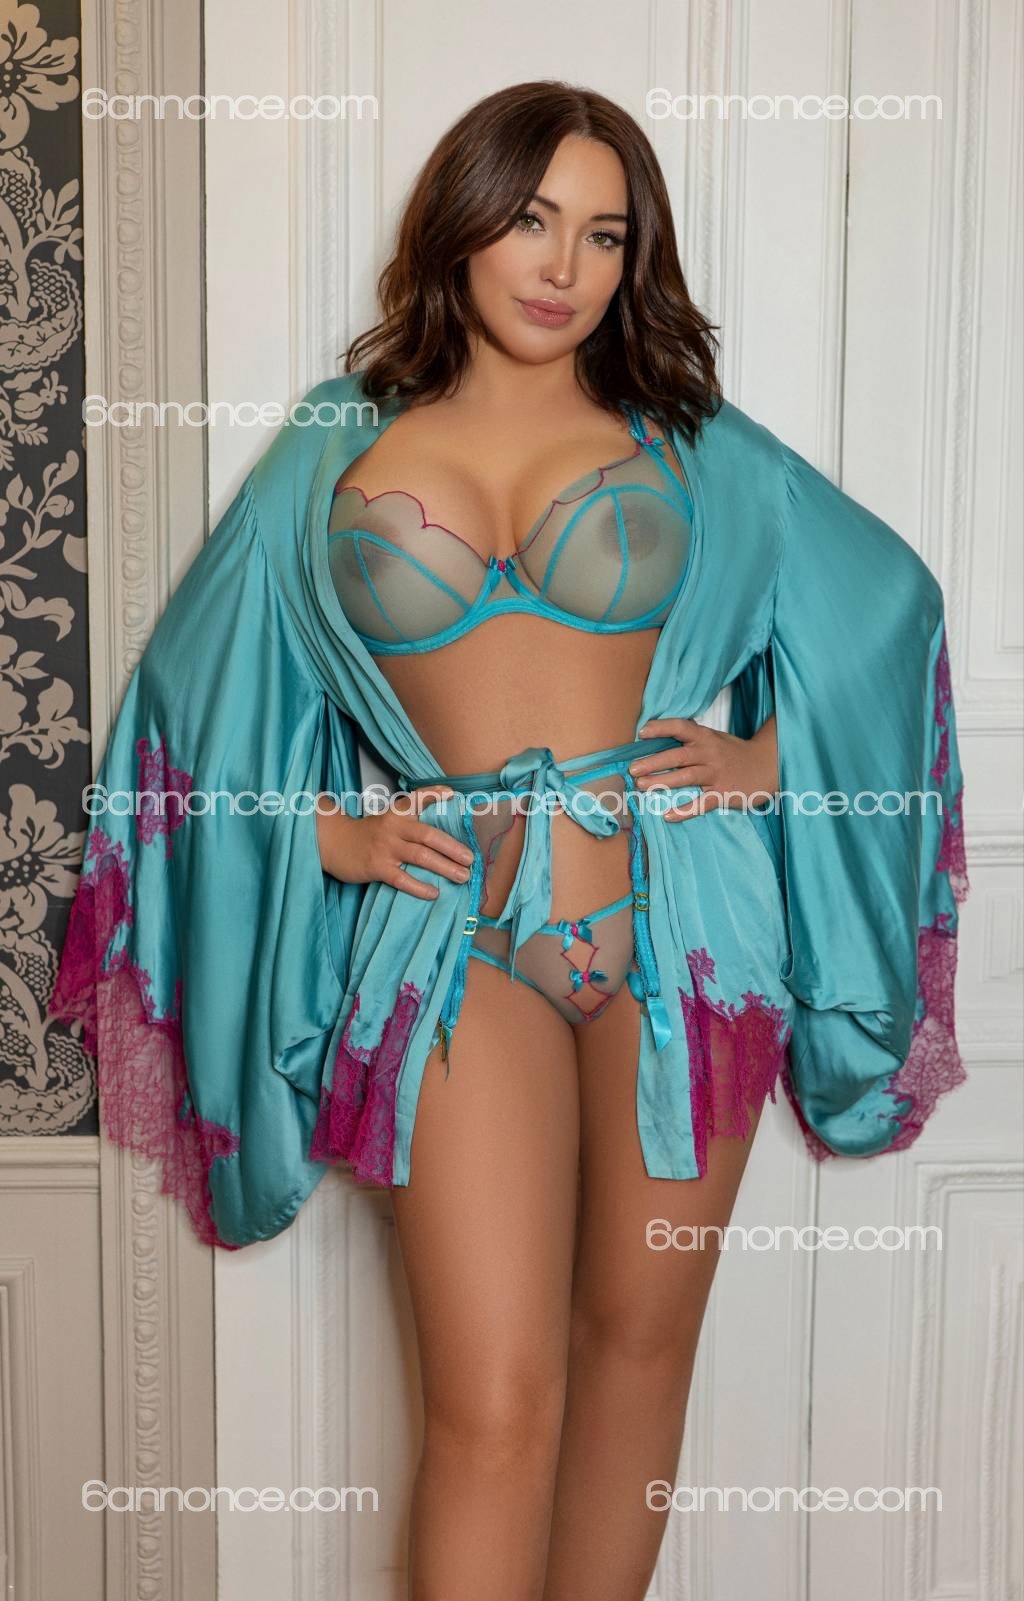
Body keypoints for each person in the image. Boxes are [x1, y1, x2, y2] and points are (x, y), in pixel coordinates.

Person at [48, 82, 969, 1599]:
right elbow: (186, 718)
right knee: (492, 1403)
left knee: (640, 1356)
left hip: (686, 932)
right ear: (462, 222)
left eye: (606, 234)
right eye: (534, 219)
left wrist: (767, 763)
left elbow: (890, 613)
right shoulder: (333, 444)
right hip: (457, 946)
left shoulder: (690, 440)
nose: (566, 266)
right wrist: (330, 835)